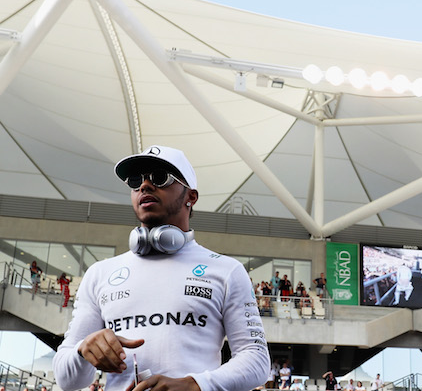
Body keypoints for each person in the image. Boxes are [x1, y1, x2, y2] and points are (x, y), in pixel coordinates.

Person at [53, 145, 271, 391]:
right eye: (136, 181)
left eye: (159, 177)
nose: (144, 185)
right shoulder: (100, 273)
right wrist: (83, 351)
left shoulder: (226, 270)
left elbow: (257, 360)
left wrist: (194, 385)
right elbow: (67, 380)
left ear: (191, 196)